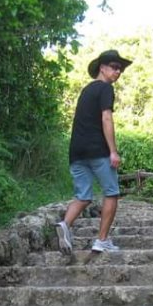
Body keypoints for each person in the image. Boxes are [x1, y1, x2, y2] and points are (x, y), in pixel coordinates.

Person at [55, 49, 133, 254]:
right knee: (112, 193)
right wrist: (113, 151)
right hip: (97, 150)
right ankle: (102, 240)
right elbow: (106, 118)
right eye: (115, 67)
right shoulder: (105, 89)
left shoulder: (86, 90)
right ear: (103, 68)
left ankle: (64, 225)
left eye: (121, 69)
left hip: (76, 152)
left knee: (83, 196)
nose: (118, 72)